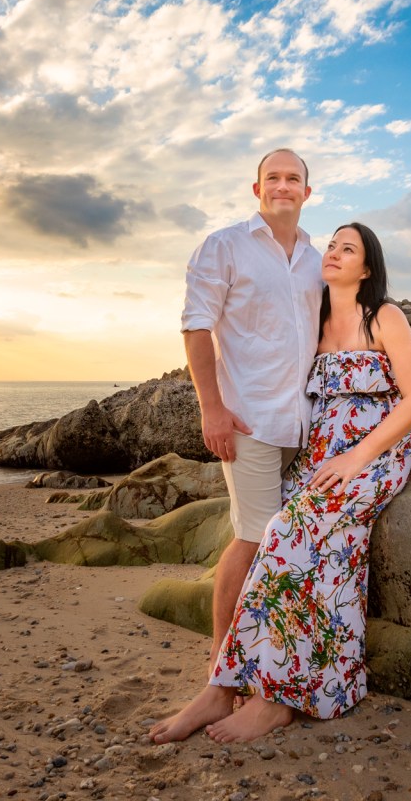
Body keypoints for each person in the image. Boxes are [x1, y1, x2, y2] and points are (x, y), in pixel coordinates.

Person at [165, 222, 411, 743]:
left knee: (290, 531)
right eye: (331, 245)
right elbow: (247, 343)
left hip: (372, 454)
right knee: (288, 541)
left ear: (368, 267)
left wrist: (358, 456)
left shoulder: (384, 316)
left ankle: (275, 700)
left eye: (347, 248)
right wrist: (222, 407)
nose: (333, 253)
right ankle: (234, 683)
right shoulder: (313, 322)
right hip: (320, 456)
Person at [149, 148, 325, 743]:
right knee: (251, 541)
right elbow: (196, 325)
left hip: (304, 424)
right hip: (247, 421)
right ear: (257, 188)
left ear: (308, 190)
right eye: (273, 177)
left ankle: (267, 672)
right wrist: (212, 409)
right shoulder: (224, 245)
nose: (283, 186)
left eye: (292, 178)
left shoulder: (314, 260)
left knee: (290, 547)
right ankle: (219, 685)